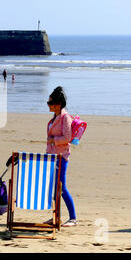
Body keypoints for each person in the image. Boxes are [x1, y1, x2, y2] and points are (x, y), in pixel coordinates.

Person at [46, 86, 77, 227]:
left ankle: (73, 218)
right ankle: (55, 217)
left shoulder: (65, 118)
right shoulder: (55, 117)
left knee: (62, 187)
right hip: (52, 157)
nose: (48, 104)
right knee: (54, 188)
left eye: (50, 103)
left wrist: (54, 140)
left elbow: (68, 137)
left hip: (61, 157)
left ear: (58, 105)